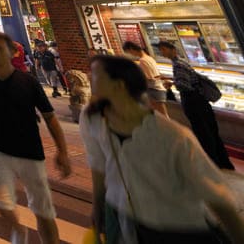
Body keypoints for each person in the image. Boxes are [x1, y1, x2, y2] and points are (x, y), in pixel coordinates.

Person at [81, 54, 244, 243]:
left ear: (119, 85)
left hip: (175, 227)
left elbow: (217, 197)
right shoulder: (92, 118)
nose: (87, 76)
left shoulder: (172, 137)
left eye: (94, 73)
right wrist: (97, 205)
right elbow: (99, 164)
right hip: (123, 217)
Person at [0, 32, 71, 244]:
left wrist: (63, 151)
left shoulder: (28, 82)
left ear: (13, 52)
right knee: (1, 202)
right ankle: (17, 229)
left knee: (43, 209)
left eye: (0, 48)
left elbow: (50, 117)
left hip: (30, 152)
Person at [157, 40, 234, 170]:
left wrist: (171, 83)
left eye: (164, 49)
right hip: (201, 102)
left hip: (194, 103)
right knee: (211, 131)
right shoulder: (182, 62)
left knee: (203, 133)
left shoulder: (178, 65)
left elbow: (184, 85)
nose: (162, 53)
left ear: (172, 49)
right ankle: (223, 162)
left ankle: (212, 163)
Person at [121, 41, 168, 117]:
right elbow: (155, 75)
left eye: (128, 52)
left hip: (154, 90)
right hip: (158, 88)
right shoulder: (149, 58)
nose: (130, 54)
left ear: (131, 49)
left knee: (162, 116)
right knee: (161, 115)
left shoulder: (143, 60)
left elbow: (148, 78)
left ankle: (168, 128)